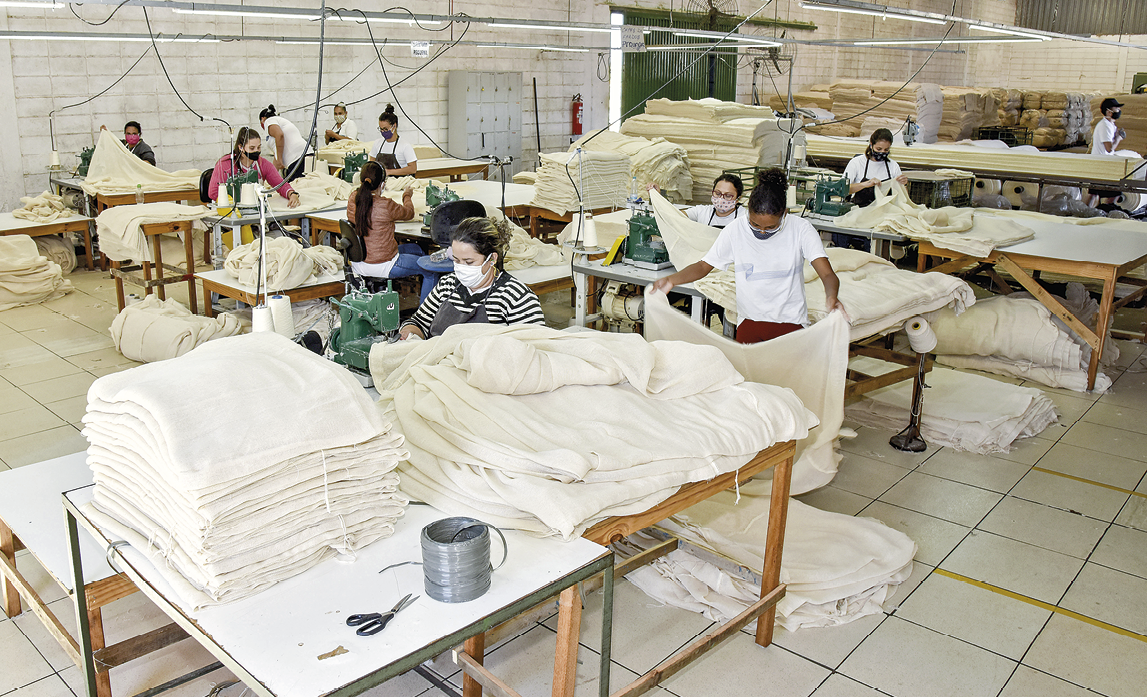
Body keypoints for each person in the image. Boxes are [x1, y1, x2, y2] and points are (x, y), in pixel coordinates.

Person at [651, 168, 845, 344]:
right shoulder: (735, 229)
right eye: (755, 225)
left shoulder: (801, 229)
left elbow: (827, 274)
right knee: (750, 381)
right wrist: (671, 280)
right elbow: (703, 266)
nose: (761, 232)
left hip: (790, 324)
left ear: (784, 214)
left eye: (770, 227)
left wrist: (831, 297)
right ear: (748, 212)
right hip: (749, 323)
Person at [399, 217, 545, 339]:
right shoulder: (447, 285)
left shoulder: (516, 297)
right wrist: (409, 333)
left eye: (469, 262)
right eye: (456, 260)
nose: (461, 267)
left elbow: (532, 347)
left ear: (492, 259)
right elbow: (419, 322)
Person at [345, 161, 437, 301]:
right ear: (382, 184)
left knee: (416, 249)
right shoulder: (385, 205)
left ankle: (418, 291)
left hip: (359, 261)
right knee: (431, 269)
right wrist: (407, 196)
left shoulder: (353, 199)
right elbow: (409, 213)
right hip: (383, 264)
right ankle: (422, 316)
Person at [836, 128, 910, 249]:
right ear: (871, 145)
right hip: (859, 211)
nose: (882, 152)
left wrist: (903, 185)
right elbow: (842, 190)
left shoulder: (893, 166)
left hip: (883, 215)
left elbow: (903, 198)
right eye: (879, 149)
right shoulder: (857, 163)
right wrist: (865, 184)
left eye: (886, 150)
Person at [207, 126, 300, 208]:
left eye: (259, 147)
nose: (256, 151)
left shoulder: (262, 164)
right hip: (229, 210)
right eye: (252, 148)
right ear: (241, 147)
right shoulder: (225, 165)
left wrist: (291, 194)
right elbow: (213, 192)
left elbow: (280, 184)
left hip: (254, 209)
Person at [1088, 98, 1127, 206]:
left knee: (1094, 193)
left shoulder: (1110, 125)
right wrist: (1118, 139)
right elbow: (1108, 148)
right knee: (1114, 193)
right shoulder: (1105, 126)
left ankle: (1089, 212)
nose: (1118, 111)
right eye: (1116, 108)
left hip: (1102, 163)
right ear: (1109, 111)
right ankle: (1105, 211)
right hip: (1101, 165)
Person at [259, 105, 309, 182]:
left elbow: (279, 135)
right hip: (305, 156)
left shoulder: (269, 121)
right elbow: (277, 155)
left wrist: (279, 160)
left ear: (262, 119)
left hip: (297, 159)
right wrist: (270, 179)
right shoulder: (280, 122)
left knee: (297, 189)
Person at [370, 104, 418, 177]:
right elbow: (371, 164)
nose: (383, 131)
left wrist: (389, 172)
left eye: (385, 129)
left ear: (394, 126)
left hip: (399, 182)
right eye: (381, 129)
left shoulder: (405, 146)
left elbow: (413, 169)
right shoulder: (377, 144)